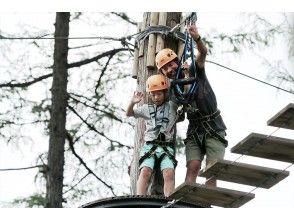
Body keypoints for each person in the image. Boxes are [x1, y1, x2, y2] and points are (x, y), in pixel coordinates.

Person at [155, 23, 228, 187]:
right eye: (165, 68)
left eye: (171, 64)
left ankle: (207, 203)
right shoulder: (174, 91)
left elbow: (202, 53)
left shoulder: (195, 70)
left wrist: (196, 38)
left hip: (213, 126)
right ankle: (187, 201)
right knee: (193, 167)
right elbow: (177, 111)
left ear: (177, 61)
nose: (170, 69)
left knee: (212, 169)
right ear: (163, 73)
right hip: (194, 129)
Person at [126, 74, 179, 197]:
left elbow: (182, 98)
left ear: (165, 93)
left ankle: (169, 199)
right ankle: (139, 198)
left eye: (159, 94)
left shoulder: (172, 106)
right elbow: (129, 113)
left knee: (169, 173)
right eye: (153, 94)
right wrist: (132, 102)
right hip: (150, 147)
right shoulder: (146, 109)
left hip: (166, 147)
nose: (156, 97)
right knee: (145, 172)